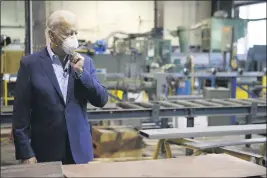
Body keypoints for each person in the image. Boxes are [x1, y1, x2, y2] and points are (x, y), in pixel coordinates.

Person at [12, 10, 108, 165]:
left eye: (75, 33)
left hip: (80, 152)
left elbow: (101, 100)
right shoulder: (30, 65)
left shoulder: (85, 63)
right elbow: (20, 114)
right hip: (45, 152)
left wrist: (82, 74)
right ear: (52, 35)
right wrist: (26, 153)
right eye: (68, 34)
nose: (74, 39)